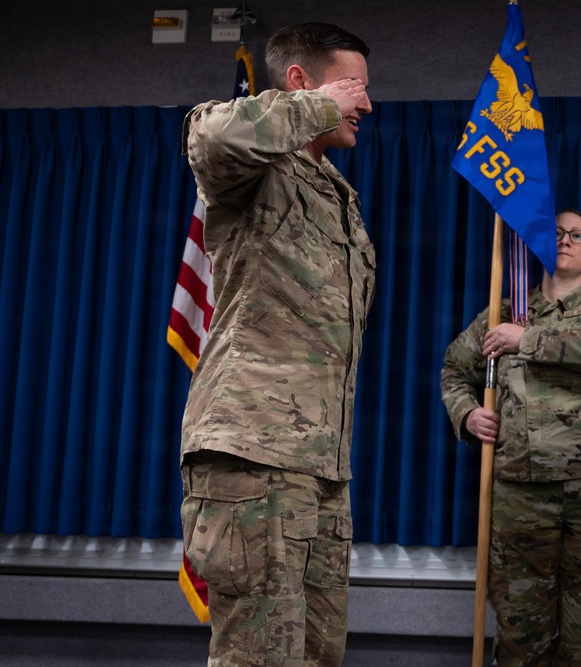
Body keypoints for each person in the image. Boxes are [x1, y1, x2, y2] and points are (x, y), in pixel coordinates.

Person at [178, 22, 375, 667]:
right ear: (300, 81)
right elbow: (209, 134)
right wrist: (319, 107)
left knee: (316, 654)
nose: (367, 104)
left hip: (320, 465)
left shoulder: (336, 192)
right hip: (253, 454)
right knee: (258, 656)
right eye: (355, 87)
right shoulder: (256, 168)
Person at [441, 209, 581, 666]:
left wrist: (526, 340)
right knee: (520, 639)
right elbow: (454, 369)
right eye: (556, 233)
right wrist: (467, 413)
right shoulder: (500, 314)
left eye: (578, 235)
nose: (566, 240)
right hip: (522, 494)